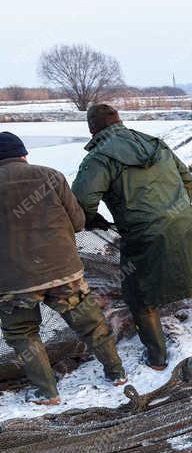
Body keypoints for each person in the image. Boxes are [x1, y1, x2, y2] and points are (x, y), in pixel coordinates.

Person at [72, 105, 192, 371]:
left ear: (92, 128)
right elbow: (186, 179)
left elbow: (82, 200)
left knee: (139, 295)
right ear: (119, 120)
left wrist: (89, 219)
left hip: (142, 232)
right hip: (183, 224)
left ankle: (157, 358)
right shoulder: (156, 144)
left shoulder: (99, 158)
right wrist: (178, 211)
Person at [0, 131, 126, 404]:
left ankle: (47, 392)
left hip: (12, 282)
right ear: (23, 155)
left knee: (23, 334)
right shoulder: (52, 176)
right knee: (91, 325)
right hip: (63, 271)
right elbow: (78, 222)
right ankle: (117, 373)